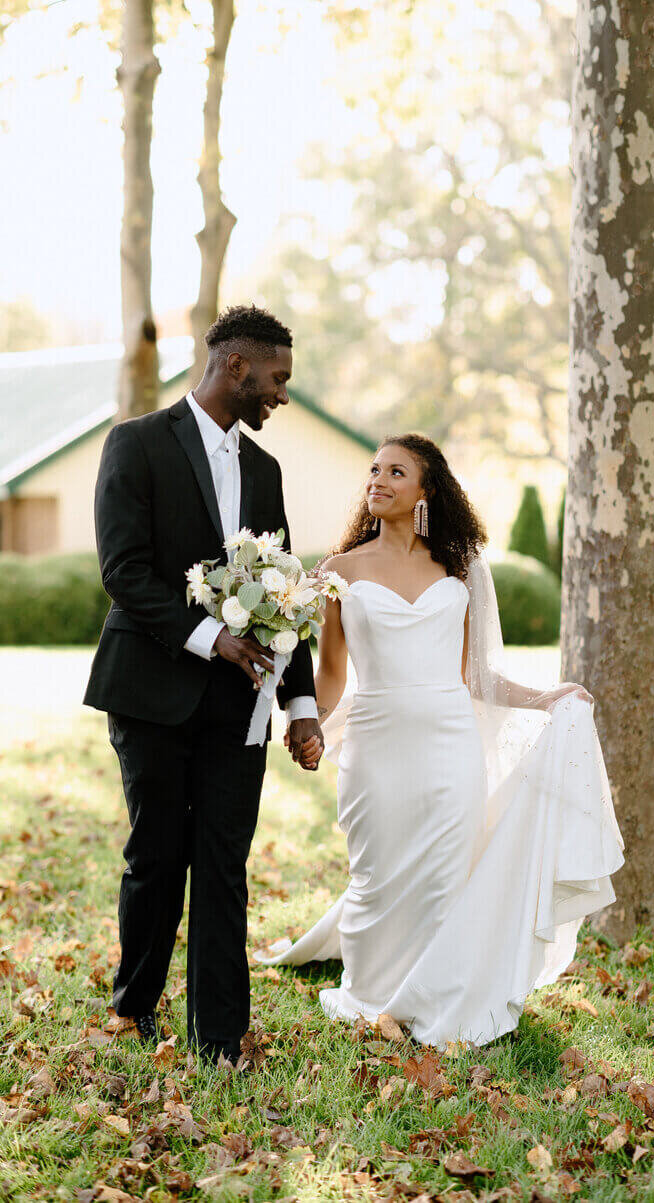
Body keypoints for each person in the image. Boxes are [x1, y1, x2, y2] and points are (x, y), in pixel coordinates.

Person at [267, 434, 625, 1048]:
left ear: (426, 490)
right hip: (376, 746)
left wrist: (546, 698)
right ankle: (375, 994)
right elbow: (330, 676)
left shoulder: (458, 569)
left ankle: (436, 996)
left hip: (450, 745)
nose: (378, 479)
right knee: (376, 873)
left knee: (441, 877)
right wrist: (308, 726)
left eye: (396, 472)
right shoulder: (337, 573)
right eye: (374, 469)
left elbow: (474, 677)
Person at [84, 305, 323, 1067]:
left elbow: (285, 595)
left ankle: (219, 1033)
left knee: (223, 859)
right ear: (235, 368)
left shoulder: (265, 470)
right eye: (277, 378)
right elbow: (124, 572)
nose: (282, 393)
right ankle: (135, 1006)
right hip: (150, 690)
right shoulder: (136, 444)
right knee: (156, 853)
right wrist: (210, 636)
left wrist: (302, 705)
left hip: (237, 703)